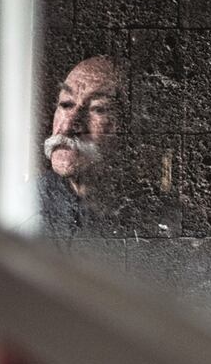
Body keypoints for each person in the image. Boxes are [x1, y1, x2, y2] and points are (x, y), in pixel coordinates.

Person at [40, 55, 178, 239]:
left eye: (98, 109)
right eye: (66, 104)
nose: (67, 127)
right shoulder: (19, 207)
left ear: (132, 130)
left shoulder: (162, 223)